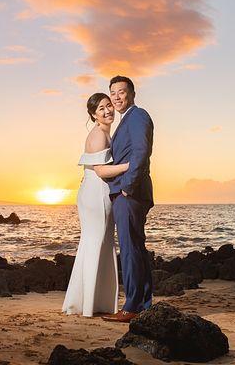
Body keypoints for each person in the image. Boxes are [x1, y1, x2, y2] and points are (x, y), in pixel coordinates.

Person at [61, 93, 129, 317]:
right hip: (96, 192)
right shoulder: (99, 135)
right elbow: (101, 170)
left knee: (96, 243)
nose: (108, 110)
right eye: (101, 109)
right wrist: (131, 165)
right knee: (98, 243)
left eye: (109, 105)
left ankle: (87, 303)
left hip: (92, 191)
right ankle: (90, 306)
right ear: (93, 115)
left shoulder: (103, 133)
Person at [101, 75, 154, 323]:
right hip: (129, 192)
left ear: (131, 93)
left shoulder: (138, 115)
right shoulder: (125, 121)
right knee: (136, 248)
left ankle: (132, 306)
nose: (117, 97)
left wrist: (127, 188)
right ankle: (143, 303)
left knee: (131, 250)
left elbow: (142, 153)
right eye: (113, 93)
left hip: (130, 193)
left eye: (121, 92)